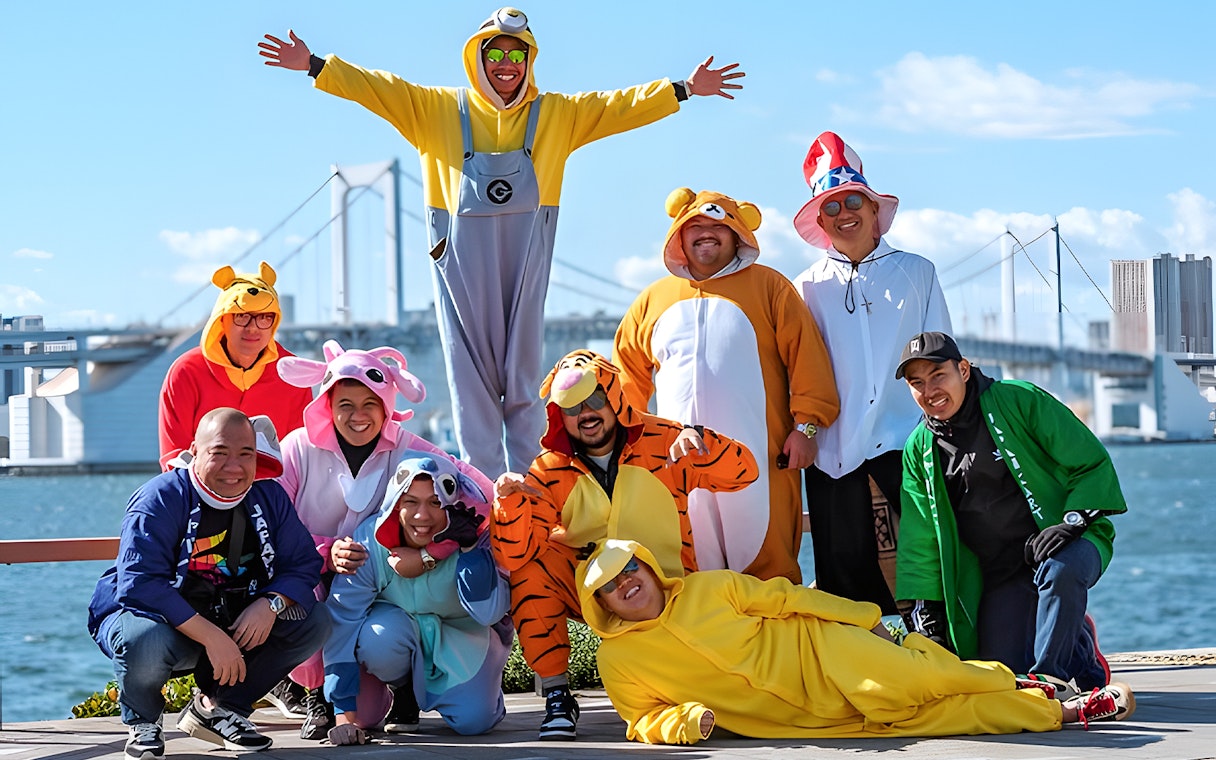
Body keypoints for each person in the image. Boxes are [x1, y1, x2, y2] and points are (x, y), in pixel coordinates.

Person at [259, 8, 745, 479]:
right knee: (469, 382)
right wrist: (315, 65)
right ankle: (484, 495)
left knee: (526, 378)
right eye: (496, 56)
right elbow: (380, 89)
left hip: (527, 252)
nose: (507, 66)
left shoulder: (557, 113)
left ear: (530, 62)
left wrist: (683, 88)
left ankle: (538, 490)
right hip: (459, 262)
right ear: (478, 59)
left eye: (518, 56)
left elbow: (618, 105)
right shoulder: (436, 110)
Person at [579, 539, 1135, 745]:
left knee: (924, 680)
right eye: (610, 586)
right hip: (807, 723)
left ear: (651, 569)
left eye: (632, 569)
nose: (627, 583)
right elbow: (640, 719)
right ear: (601, 606)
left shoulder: (709, 588)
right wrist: (682, 724)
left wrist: (865, 616)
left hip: (823, 652)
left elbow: (791, 598)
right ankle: (1061, 714)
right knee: (939, 718)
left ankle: (1029, 685)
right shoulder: (619, 658)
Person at [492, 349, 758, 740]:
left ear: (615, 396)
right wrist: (509, 504)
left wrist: (703, 443)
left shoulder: (667, 440)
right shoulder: (547, 469)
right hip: (593, 590)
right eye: (572, 407)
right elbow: (513, 554)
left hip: (668, 587)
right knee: (533, 569)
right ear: (558, 417)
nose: (587, 412)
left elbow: (745, 473)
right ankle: (557, 695)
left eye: (595, 399)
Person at [272, 339, 498, 739]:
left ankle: (403, 686)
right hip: (310, 572)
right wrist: (325, 552)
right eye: (345, 404)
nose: (358, 416)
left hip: (379, 583)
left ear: (387, 403)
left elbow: (480, 496)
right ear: (326, 403)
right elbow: (272, 521)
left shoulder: (409, 446)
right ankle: (317, 696)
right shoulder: (297, 448)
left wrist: (433, 550)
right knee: (305, 599)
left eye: (370, 403)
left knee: (380, 690)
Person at [614, 188, 838, 583]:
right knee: (689, 574)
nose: (706, 234)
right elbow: (624, 380)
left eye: (718, 226)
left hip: (762, 462)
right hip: (675, 465)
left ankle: (777, 641)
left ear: (738, 234)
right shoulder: (651, 300)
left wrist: (806, 428)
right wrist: (624, 443)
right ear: (678, 236)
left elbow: (809, 361)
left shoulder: (770, 287)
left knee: (768, 574)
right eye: (694, 226)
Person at [87, 408, 330, 759]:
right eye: (219, 453)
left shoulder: (269, 496)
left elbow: (303, 562)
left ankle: (219, 708)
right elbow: (139, 585)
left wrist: (271, 603)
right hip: (160, 620)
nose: (235, 467)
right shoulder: (160, 497)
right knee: (144, 640)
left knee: (314, 621)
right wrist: (211, 637)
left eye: (246, 454)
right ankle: (143, 721)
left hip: (229, 614)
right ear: (195, 451)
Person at [895, 331, 1126, 694]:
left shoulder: (1019, 400)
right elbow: (919, 540)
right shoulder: (918, 449)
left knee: (1061, 571)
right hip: (1000, 572)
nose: (930, 391)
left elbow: (1091, 462)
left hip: (1069, 540)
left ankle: (1052, 680)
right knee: (1002, 673)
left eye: (939, 375)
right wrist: (926, 616)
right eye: (917, 383)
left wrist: (1070, 523)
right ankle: (1079, 639)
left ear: (964, 370)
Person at [790, 132, 953, 615]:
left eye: (852, 201)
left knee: (929, 577)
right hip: (831, 454)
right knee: (846, 591)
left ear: (873, 206)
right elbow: (798, 372)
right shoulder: (804, 288)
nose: (844, 214)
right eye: (832, 207)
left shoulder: (917, 272)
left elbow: (943, 356)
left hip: (909, 445)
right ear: (820, 221)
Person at [320, 453, 511, 745]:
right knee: (364, 715)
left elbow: (489, 614)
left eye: (435, 502)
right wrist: (342, 715)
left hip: (464, 642)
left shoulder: (475, 536)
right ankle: (403, 689)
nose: (422, 516)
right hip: (392, 638)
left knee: (476, 721)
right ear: (396, 503)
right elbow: (342, 619)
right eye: (410, 502)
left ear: (451, 502)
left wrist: (471, 550)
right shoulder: (369, 541)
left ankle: (481, 691)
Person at [158, 261, 312, 470]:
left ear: (274, 323)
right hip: (199, 494)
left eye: (265, 317)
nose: (252, 328)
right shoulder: (186, 372)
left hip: (273, 496)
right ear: (222, 320)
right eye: (242, 316)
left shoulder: (292, 374)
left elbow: (301, 458)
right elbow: (174, 456)